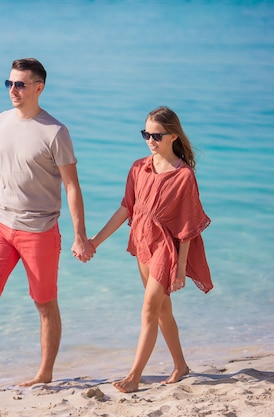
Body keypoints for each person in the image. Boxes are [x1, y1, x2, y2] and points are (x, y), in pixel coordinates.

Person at [0, 58, 95, 394]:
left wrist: (80, 236)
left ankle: (44, 373)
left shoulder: (55, 132)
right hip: (2, 223)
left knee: (44, 303)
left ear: (38, 88)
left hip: (40, 230)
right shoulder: (0, 122)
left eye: (20, 84)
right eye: (9, 84)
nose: (13, 90)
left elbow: (72, 186)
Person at [87, 106, 213, 393]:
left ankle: (134, 375)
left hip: (166, 250)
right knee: (161, 310)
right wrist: (95, 241)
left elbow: (188, 228)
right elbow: (125, 210)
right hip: (142, 242)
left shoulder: (184, 177)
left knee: (148, 310)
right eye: (146, 134)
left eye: (156, 135)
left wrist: (180, 269)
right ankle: (180, 365)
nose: (150, 140)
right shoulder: (138, 167)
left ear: (172, 136)